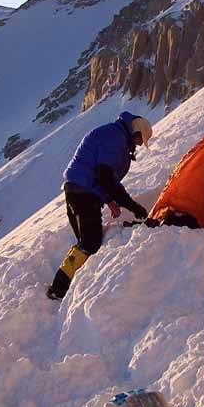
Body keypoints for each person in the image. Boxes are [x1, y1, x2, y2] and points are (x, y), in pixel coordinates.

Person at [47, 112, 152, 300]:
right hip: (82, 193)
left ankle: (71, 286)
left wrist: (109, 200)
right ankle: (58, 289)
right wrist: (132, 205)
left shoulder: (113, 134)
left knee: (86, 242)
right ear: (135, 132)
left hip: (78, 189)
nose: (138, 145)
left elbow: (97, 175)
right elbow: (105, 176)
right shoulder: (115, 139)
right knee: (90, 242)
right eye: (139, 140)